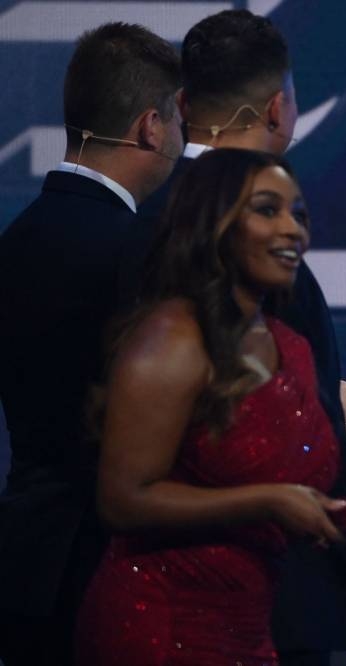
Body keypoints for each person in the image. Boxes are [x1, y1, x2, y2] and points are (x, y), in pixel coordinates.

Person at [75, 148, 346, 665]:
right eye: (267, 209)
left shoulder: (289, 345)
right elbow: (122, 499)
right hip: (160, 625)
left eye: (299, 214)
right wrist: (266, 503)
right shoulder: (171, 338)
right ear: (217, 222)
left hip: (248, 629)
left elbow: (297, 483)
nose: (293, 230)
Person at [0, 23, 182, 666]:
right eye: (180, 124)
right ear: (151, 128)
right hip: (112, 573)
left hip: (24, 565)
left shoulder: (16, 239)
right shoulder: (138, 253)